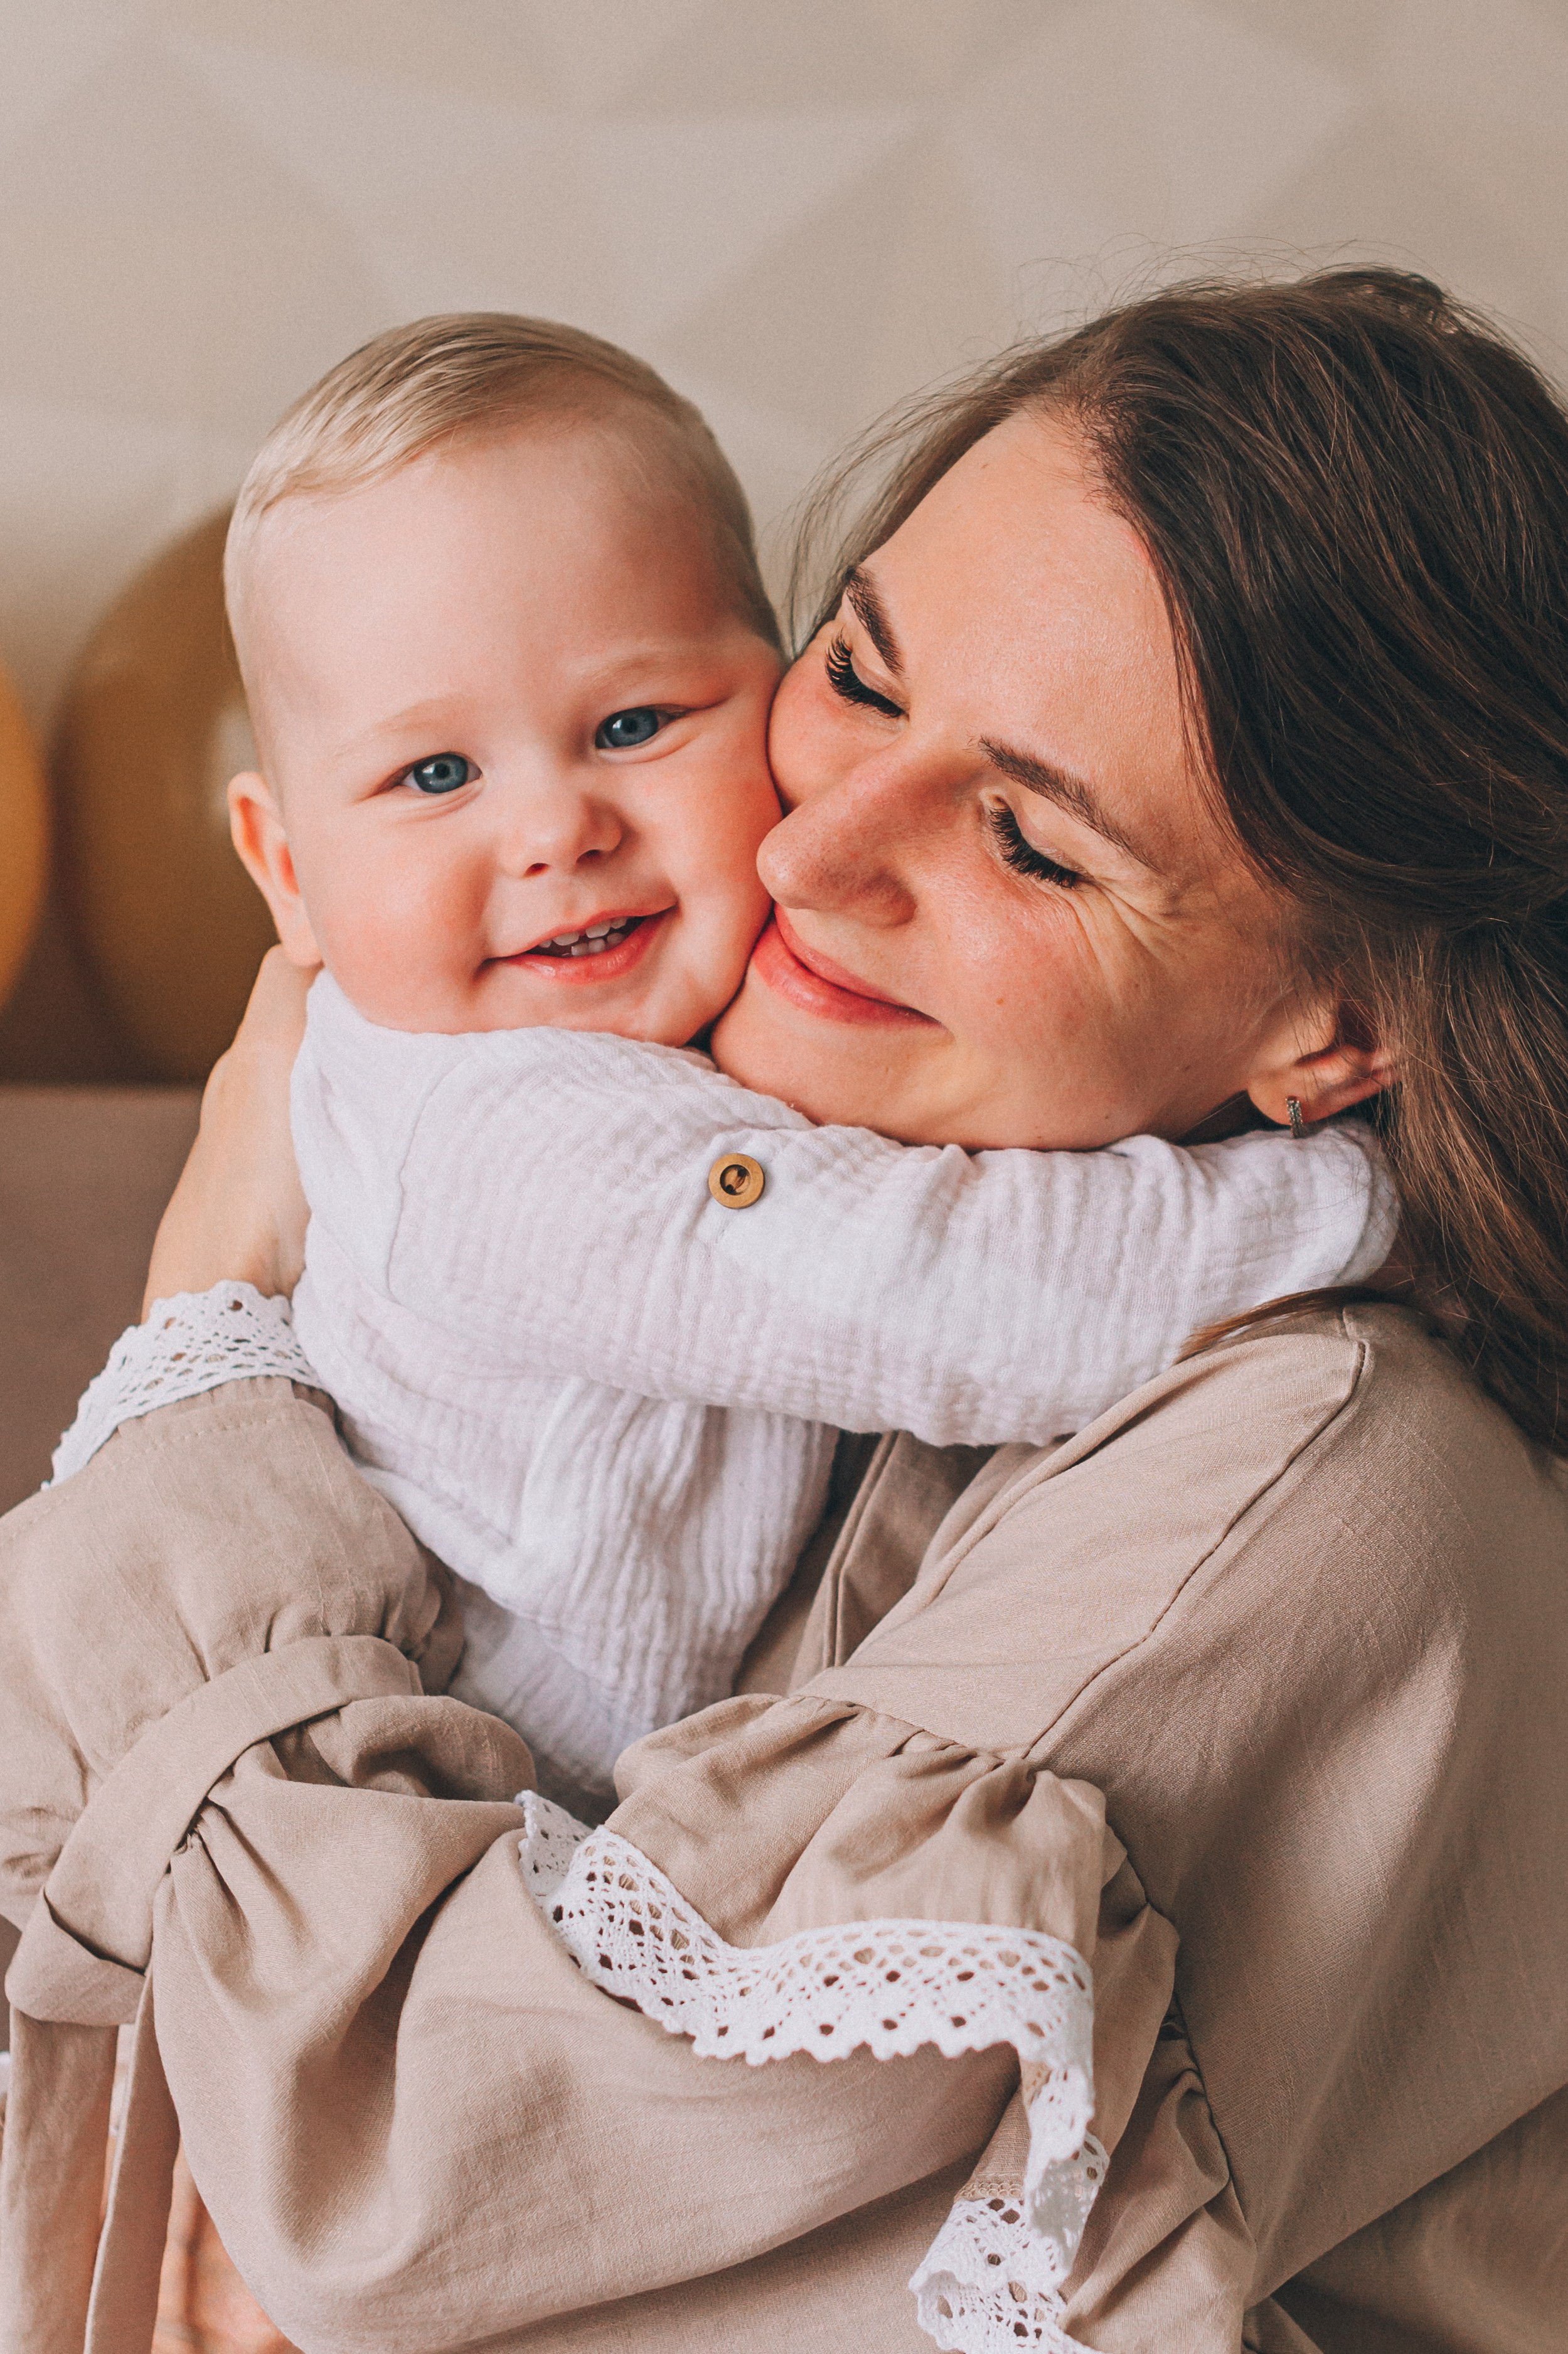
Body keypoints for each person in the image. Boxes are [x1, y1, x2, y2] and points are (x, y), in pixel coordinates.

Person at [5, 267, 1567, 2354]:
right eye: (863, 672)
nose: (818, 845)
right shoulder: (665, 1140)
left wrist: (205, 1325)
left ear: (1340, 1026)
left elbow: (420, 2177)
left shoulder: (1309, 1471)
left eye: (1024, 837)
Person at [55, 312, 1390, 1809]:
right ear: (284, 870)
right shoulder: (513, 1136)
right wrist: (1350, 1205)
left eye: (633, 722)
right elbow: (956, 1295)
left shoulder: (705, 1055)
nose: (557, 829)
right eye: (436, 774)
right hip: (360, 1820)